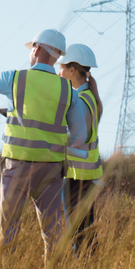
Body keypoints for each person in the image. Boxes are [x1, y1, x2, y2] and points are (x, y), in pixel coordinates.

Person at [0, 29, 86, 264]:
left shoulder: (15, 79)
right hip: (52, 171)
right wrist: (57, 149)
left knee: (9, 231)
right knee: (54, 234)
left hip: (17, 167)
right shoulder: (68, 92)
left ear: (37, 49)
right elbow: (80, 135)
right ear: (57, 56)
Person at [57, 43, 103, 254]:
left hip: (78, 176)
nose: (58, 72)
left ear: (72, 70)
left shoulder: (80, 100)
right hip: (86, 174)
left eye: (62, 67)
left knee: (79, 232)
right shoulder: (88, 97)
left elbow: (75, 138)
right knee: (85, 230)